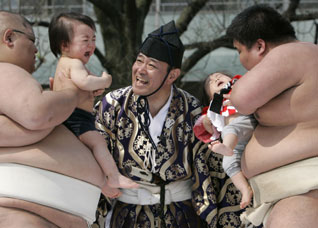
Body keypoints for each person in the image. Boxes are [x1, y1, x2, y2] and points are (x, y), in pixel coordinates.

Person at [94, 21, 244, 228]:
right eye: (139, 61)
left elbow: (211, 169)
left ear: (172, 75)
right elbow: (93, 152)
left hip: (182, 216)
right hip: (127, 216)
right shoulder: (112, 105)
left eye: (151, 65)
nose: (140, 70)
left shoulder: (192, 108)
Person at [0, 11, 108, 228]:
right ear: (9, 38)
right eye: (32, 40)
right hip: (15, 209)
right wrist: (74, 95)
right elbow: (38, 114)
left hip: (20, 207)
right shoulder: (0, 71)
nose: (36, 50)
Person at [226, 4, 318, 228]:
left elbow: (242, 98)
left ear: (259, 45)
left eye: (239, 51)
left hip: (305, 192)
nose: (240, 60)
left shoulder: (294, 52)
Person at [49, 12, 139, 198]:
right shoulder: (74, 63)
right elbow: (85, 83)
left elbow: (82, 87)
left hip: (70, 116)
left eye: (93, 39)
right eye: (85, 40)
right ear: (65, 45)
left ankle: (104, 185)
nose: (91, 44)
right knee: (98, 142)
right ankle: (113, 176)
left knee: (87, 153)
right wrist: (103, 81)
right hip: (76, 116)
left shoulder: (65, 63)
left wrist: (92, 90)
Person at [193, 72, 257, 209]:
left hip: (247, 123)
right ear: (210, 96)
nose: (216, 78)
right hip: (237, 143)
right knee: (228, 164)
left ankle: (226, 147)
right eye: (210, 82)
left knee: (230, 129)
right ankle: (245, 190)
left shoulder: (238, 86)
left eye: (219, 75)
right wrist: (206, 121)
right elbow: (204, 131)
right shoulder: (213, 108)